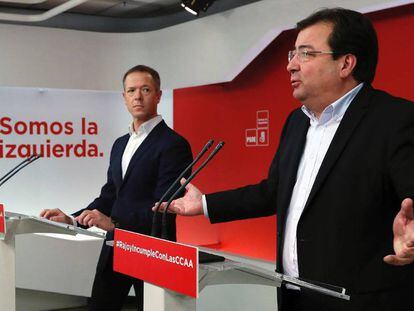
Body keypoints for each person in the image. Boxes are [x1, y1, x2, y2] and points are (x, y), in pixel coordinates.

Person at [155, 8, 414, 311]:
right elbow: (275, 191)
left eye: (305, 54)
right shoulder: (296, 122)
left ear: (346, 63)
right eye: (292, 54)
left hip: (362, 301)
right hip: (294, 294)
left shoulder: (395, 120)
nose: (291, 66)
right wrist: (205, 205)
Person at [40, 65, 193, 311]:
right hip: (115, 248)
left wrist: (116, 224)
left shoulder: (174, 144)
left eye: (145, 89)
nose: (137, 96)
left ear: (158, 95)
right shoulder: (120, 144)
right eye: (131, 90)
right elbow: (110, 196)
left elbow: (166, 207)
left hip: (155, 251)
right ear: (123, 97)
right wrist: (72, 218)